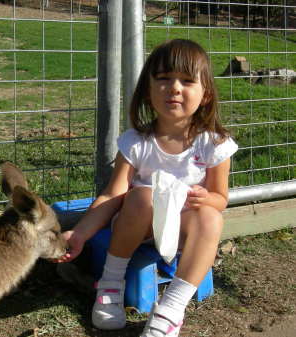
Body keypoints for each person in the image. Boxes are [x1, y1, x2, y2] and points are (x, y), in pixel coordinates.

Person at [56, 39, 238, 337]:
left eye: (187, 81)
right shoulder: (136, 142)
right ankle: (110, 284)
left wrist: (208, 198)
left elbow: (221, 199)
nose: (175, 88)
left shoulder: (214, 144)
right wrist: (80, 233)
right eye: (164, 79)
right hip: (138, 228)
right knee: (141, 194)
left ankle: (172, 308)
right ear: (148, 90)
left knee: (211, 217)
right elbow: (113, 194)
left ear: (205, 94)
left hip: (182, 229)